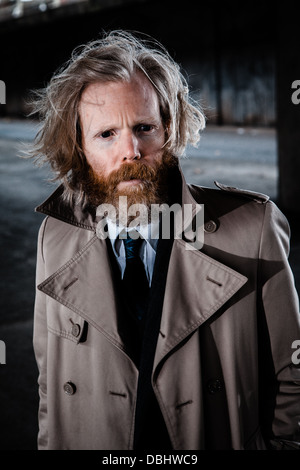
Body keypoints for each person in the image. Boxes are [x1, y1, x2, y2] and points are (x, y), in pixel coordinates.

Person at [30, 30, 300, 450]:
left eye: (144, 128)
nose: (131, 151)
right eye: (106, 135)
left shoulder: (253, 229)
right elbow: (50, 384)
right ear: (78, 147)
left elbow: (293, 374)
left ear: (169, 132)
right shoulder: (56, 236)